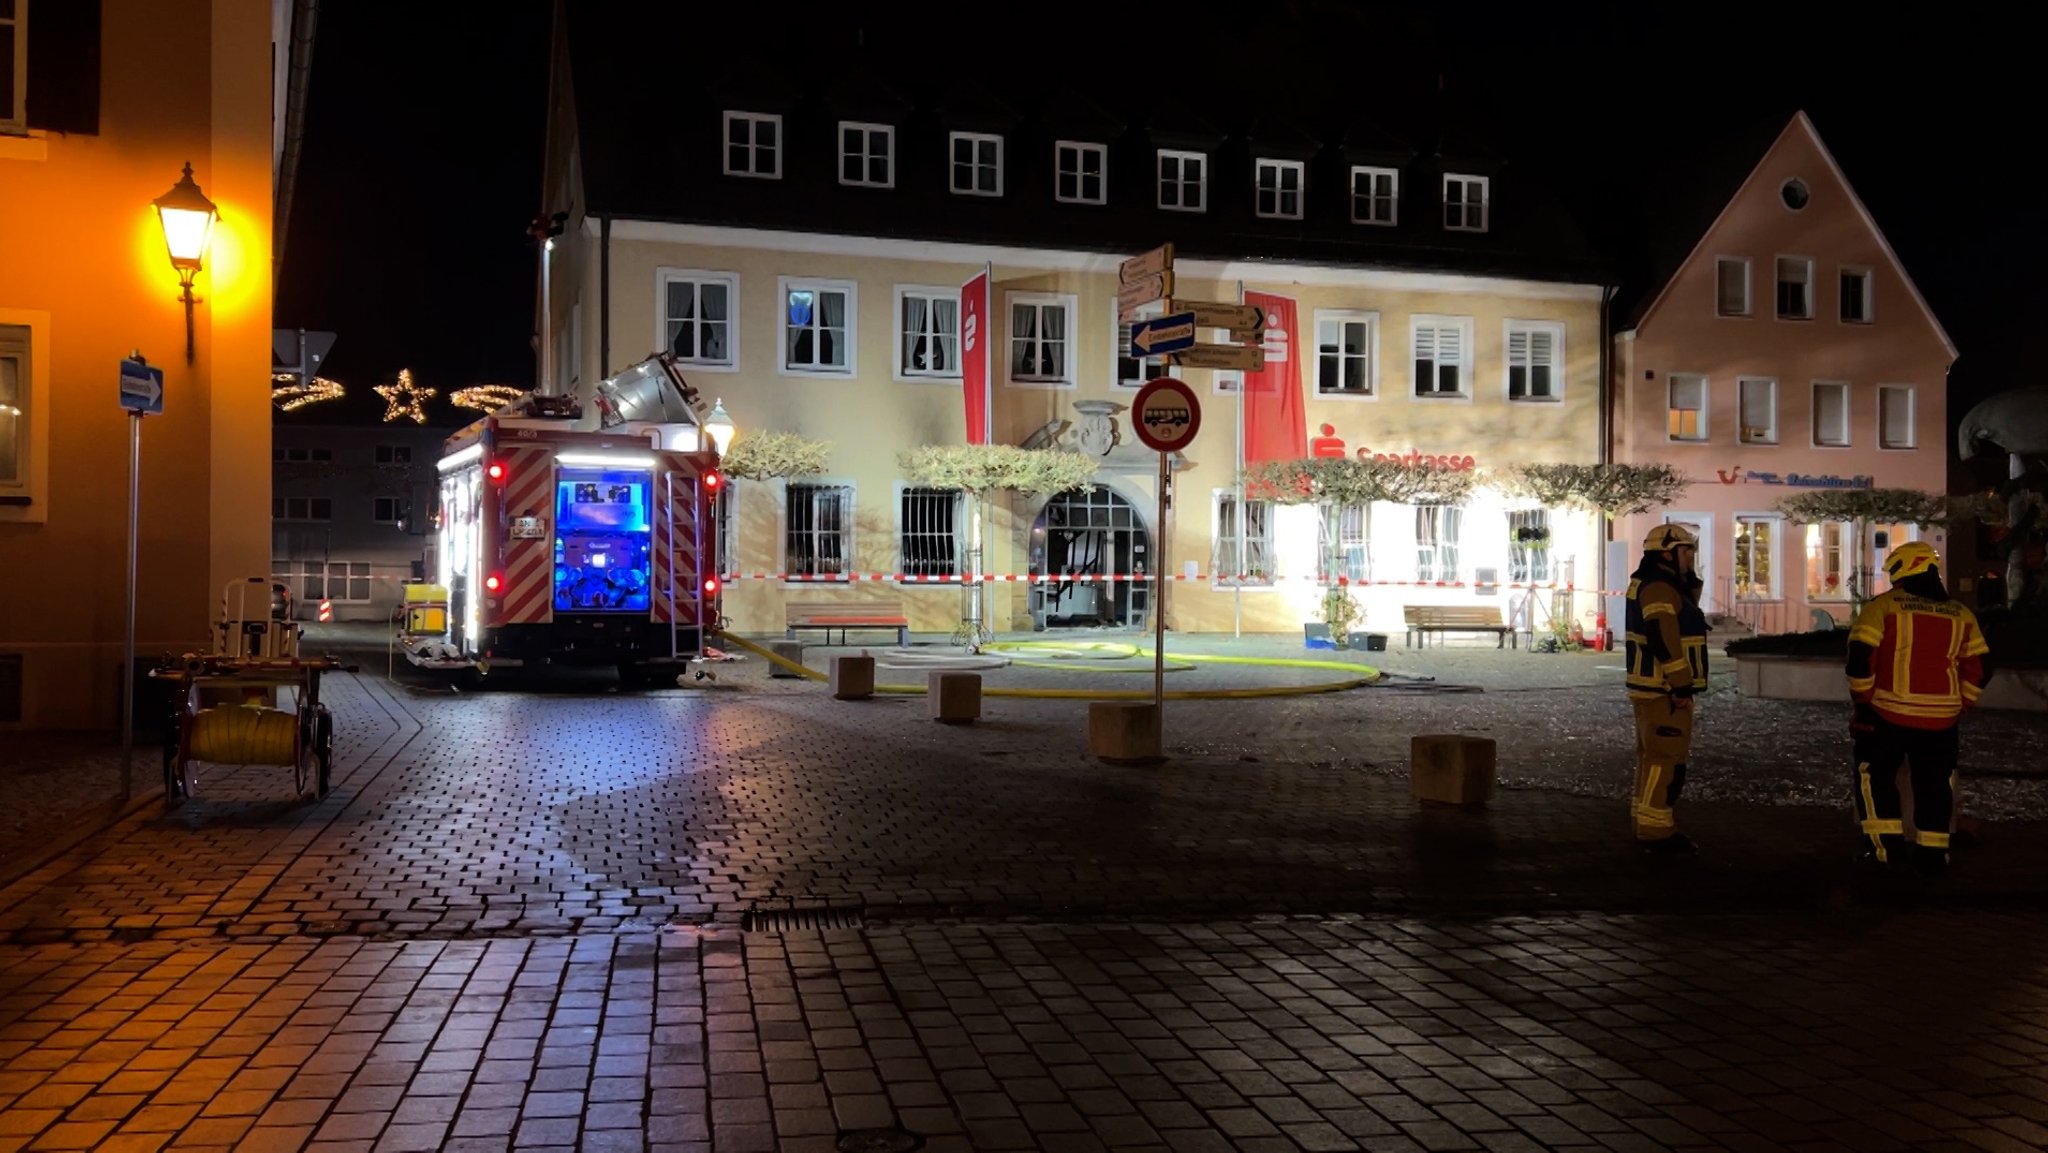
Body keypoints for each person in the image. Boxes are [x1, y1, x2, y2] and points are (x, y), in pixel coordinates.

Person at [1846, 542, 1990, 876]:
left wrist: (1862, 701)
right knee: (1937, 784)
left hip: (1886, 715)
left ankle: (1885, 853)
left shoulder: (1882, 607)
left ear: (1903, 570)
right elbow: (1982, 667)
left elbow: (1859, 658)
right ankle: (1934, 855)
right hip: (1942, 721)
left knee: (1874, 777)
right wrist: (1962, 703)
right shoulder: (1961, 613)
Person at [1624, 524, 1711, 853]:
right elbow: (1664, 636)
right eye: (1686, 551)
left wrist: (1689, 581)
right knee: (1667, 760)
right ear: (1667, 553)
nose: (1691, 557)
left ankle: (1645, 821)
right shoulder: (1660, 587)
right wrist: (1681, 686)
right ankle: (1656, 831)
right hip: (1663, 690)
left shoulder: (1656, 583)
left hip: (1651, 687)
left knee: (1652, 759)